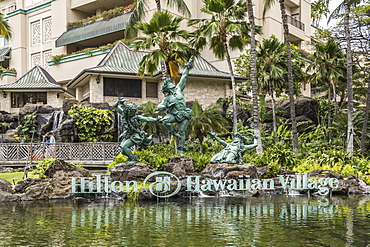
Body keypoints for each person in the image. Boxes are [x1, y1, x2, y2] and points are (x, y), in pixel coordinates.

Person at [156, 57, 194, 156]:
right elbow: (159, 107)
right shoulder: (167, 98)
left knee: (182, 132)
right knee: (165, 121)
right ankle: (173, 132)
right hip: (173, 115)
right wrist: (166, 106)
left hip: (183, 113)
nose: (171, 84)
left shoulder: (179, 90)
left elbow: (184, 77)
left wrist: (187, 68)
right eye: (169, 84)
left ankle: (181, 150)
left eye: (171, 83)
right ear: (167, 88)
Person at [113, 98, 158, 163]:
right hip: (128, 134)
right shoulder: (124, 115)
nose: (133, 113)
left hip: (135, 135)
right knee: (123, 150)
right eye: (131, 111)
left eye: (134, 111)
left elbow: (147, 119)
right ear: (127, 111)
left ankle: (133, 159)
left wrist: (156, 120)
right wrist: (118, 102)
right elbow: (115, 106)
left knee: (125, 147)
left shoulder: (136, 117)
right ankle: (130, 158)